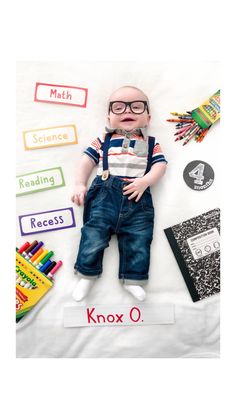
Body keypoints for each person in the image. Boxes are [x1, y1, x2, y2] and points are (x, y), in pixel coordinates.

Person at [71, 85, 167, 301]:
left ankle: (132, 278)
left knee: (139, 238)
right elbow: (86, 160)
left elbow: (160, 166)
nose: (127, 112)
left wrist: (145, 181)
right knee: (93, 234)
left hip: (138, 197)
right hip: (105, 195)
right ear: (108, 117)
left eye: (136, 107)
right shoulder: (103, 141)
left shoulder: (151, 143)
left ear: (148, 118)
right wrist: (79, 183)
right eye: (119, 108)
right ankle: (87, 274)